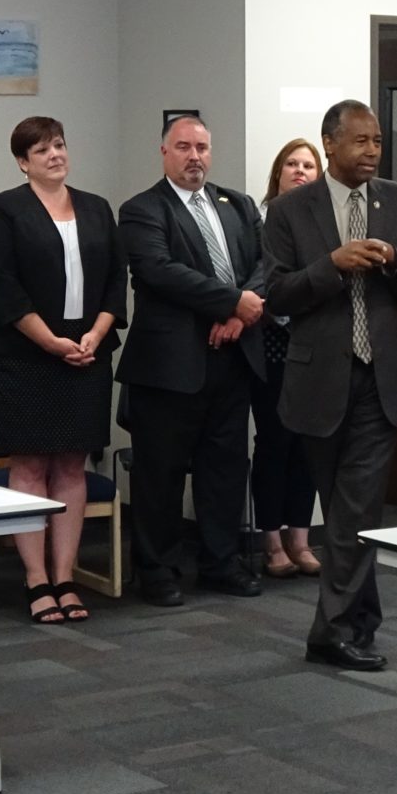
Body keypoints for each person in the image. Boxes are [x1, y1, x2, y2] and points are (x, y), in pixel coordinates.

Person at [264, 99, 397, 671]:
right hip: (318, 380)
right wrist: (331, 265)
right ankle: (360, 620)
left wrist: (393, 260)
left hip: (381, 379)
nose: (372, 151)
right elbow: (277, 294)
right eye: (360, 141)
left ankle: (331, 631)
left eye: (377, 141)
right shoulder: (290, 210)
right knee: (344, 512)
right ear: (329, 144)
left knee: (355, 506)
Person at [0, 117, 128, 623]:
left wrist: (97, 334)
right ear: (23, 162)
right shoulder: (6, 208)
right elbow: (3, 284)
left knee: (72, 465)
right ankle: (36, 579)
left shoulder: (96, 207)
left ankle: (65, 577)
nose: (55, 155)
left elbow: (116, 279)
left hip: (87, 352)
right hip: (26, 354)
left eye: (59, 145)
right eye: (41, 150)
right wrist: (50, 342)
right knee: (31, 465)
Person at [117, 114, 267, 607]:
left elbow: (266, 264)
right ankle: (157, 569)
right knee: (159, 473)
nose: (194, 157)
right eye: (183, 147)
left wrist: (239, 314)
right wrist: (232, 302)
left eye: (201, 147)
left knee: (224, 467)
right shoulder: (143, 209)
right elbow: (159, 271)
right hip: (169, 365)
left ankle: (221, 563)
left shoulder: (238, 204)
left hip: (232, 359)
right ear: (164, 152)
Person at [253, 138, 323, 578]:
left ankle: (301, 538)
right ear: (278, 173)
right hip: (272, 346)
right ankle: (272, 541)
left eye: (309, 165)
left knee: (308, 447)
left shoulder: (324, 224)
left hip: (315, 348)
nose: (300, 171)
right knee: (274, 444)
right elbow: (257, 280)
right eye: (292, 164)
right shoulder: (261, 222)